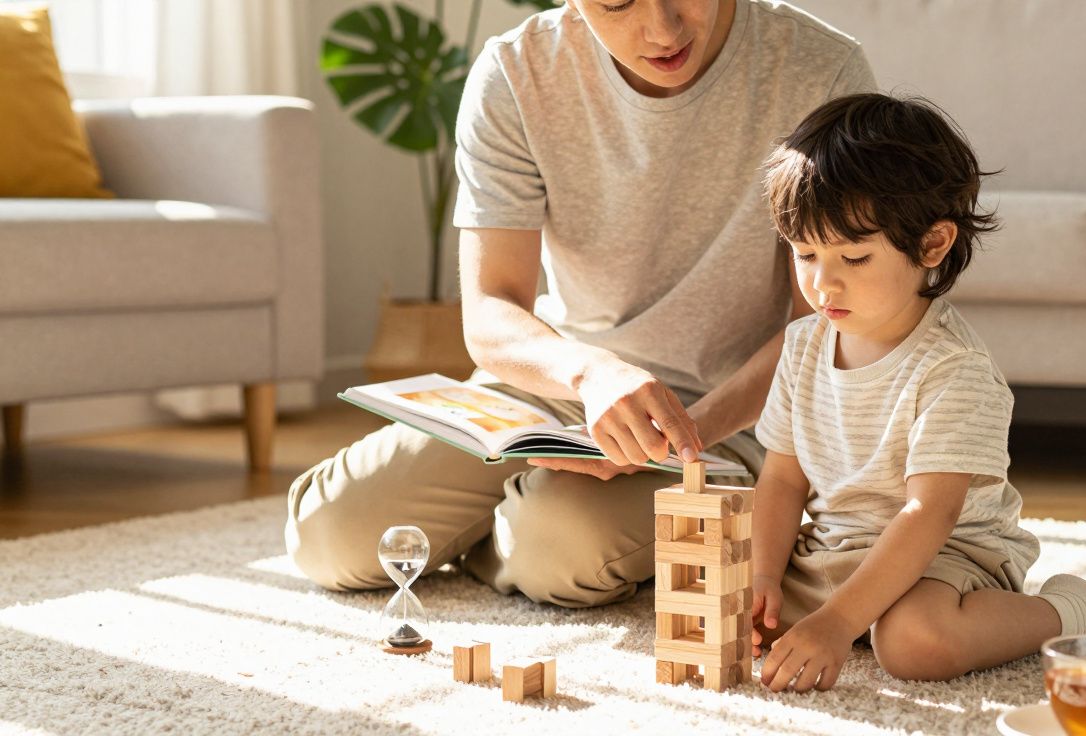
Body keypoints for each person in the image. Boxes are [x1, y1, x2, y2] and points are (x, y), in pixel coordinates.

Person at [284, 0, 876, 605]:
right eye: (617, 2)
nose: (663, 29)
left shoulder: (820, 72)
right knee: (329, 537)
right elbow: (491, 308)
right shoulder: (517, 72)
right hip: (558, 385)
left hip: (727, 417)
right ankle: (512, 521)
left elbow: (823, 330)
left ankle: (507, 533)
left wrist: (681, 436)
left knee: (560, 551)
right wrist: (590, 373)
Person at [749, 92, 1086, 690]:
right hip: (836, 549)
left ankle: (1072, 612)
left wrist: (836, 621)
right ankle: (840, 611)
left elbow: (930, 513)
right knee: (742, 609)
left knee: (912, 644)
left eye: (853, 256)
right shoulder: (802, 345)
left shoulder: (955, 369)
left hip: (949, 556)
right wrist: (763, 576)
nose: (823, 282)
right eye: (805, 253)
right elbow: (781, 479)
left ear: (932, 245)